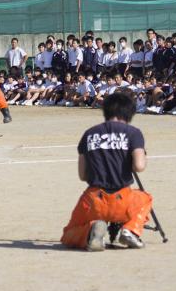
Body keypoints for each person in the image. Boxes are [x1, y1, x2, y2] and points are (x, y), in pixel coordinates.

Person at [61, 92, 153, 251]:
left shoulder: (89, 134)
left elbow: (82, 175)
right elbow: (139, 166)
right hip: (122, 199)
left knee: (69, 234)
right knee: (145, 198)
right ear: (129, 113)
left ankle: (91, 231)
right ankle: (130, 230)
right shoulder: (133, 133)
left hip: (94, 200)